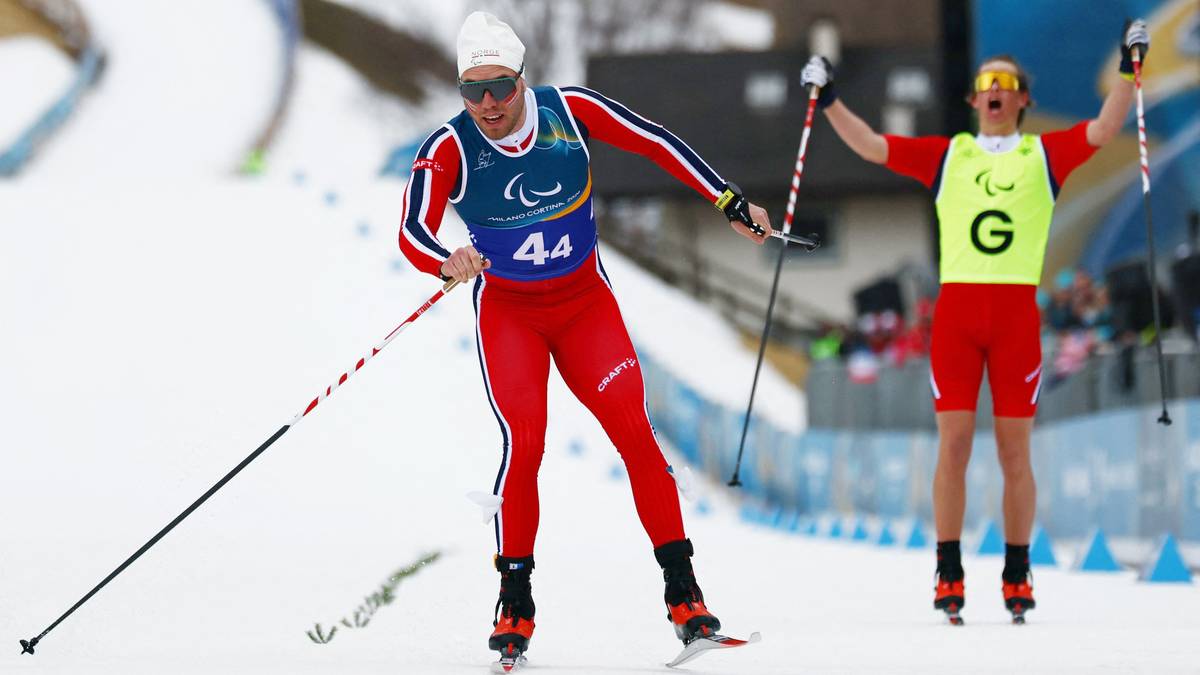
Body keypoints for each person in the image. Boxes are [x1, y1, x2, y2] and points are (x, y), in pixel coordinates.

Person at [397, 11, 774, 660]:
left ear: (522, 80)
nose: (488, 104)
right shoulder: (449, 147)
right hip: (511, 314)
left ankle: (685, 596)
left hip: (583, 308)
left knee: (635, 432)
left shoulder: (568, 111)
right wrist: (444, 259)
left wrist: (727, 200)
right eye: (473, 91)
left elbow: (655, 141)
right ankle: (515, 602)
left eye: (500, 87)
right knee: (525, 443)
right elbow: (412, 228)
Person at [801, 19, 1149, 623]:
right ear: (973, 99)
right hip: (959, 317)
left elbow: (1104, 128)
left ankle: (1017, 570)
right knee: (955, 446)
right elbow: (873, 146)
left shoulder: (1042, 154)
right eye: (986, 83)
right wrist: (828, 98)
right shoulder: (951, 155)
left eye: (1005, 84)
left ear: (1022, 100)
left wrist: (1127, 66)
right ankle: (948, 570)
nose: (994, 91)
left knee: (1015, 453)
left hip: (1015, 318)